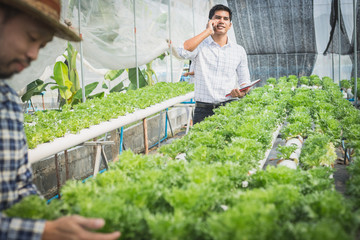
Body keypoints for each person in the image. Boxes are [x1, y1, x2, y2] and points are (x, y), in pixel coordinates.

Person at [0, 0, 121, 239]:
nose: (34, 55)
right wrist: (41, 231)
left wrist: (56, 223)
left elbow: (19, 188)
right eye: (31, 37)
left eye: (42, 45)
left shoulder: (9, 103)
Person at [177, 4, 251, 124]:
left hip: (229, 107)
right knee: (201, 143)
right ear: (210, 22)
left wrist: (243, 91)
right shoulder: (200, 46)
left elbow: (245, 80)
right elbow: (182, 52)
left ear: (230, 25)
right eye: (217, 17)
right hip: (203, 109)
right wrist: (207, 32)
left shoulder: (238, 50)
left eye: (225, 19)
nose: (221, 21)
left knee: (228, 142)